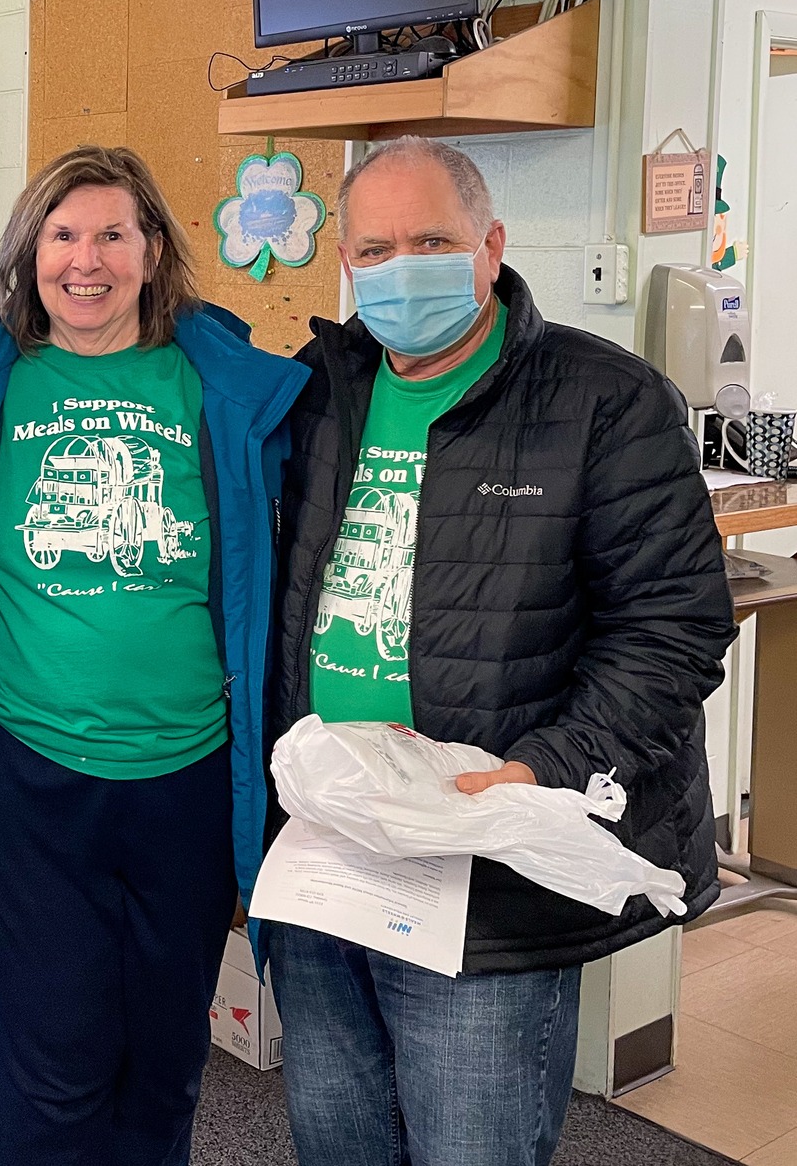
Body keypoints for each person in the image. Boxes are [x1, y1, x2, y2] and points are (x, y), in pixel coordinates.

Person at [265, 136, 738, 1166]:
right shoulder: (317, 392)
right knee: (335, 1134)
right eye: (375, 249)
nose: (402, 269)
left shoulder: (603, 401)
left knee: (472, 1145)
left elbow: (674, 626)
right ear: (345, 263)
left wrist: (541, 771)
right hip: (328, 847)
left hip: (486, 868)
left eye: (432, 241)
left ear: (490, 247)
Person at [0, 144, 308, 1164]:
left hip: (189, 770)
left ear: (153, 251)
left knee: (166, 1053)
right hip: (30, 768)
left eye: (111, 234)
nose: (85, 260)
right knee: (54, 1051)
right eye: (62, 235)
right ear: (29, 252)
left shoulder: (224, 388)